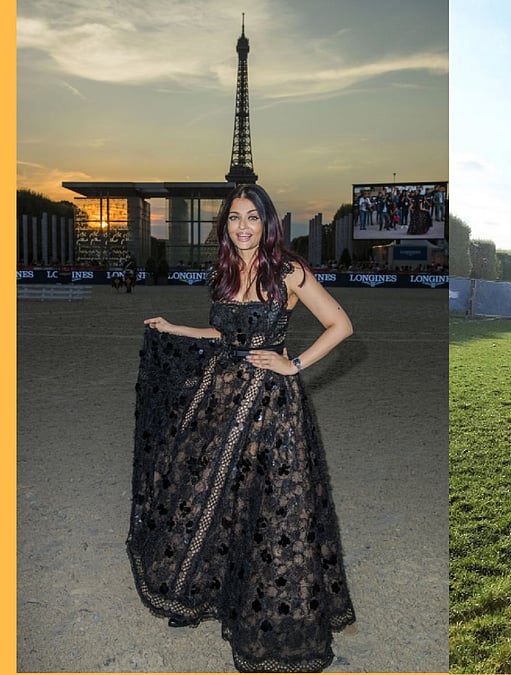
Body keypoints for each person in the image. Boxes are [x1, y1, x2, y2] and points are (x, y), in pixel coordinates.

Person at [129, 184, 356, 672]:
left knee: (264, 508)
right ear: (225, 224)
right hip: (222, 398)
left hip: (271, 407)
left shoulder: (288, 271)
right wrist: (177, 329)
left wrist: (293, 364)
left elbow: (340, 325)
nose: (244, 226)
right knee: (210, 495)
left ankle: (252, 609)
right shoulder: (226, 270)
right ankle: (195, 595)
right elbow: (224, 334)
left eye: (253, 217)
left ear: (268, 222)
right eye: (235, 218)